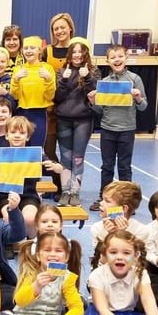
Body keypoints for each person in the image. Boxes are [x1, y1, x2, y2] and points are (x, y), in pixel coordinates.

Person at [14, 232, 90, 315]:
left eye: (58, 251)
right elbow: (19, 301)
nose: (53, 254)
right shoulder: (30, 273)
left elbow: (77, 308)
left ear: (66, 257)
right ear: (38, 255)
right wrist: (36, 286)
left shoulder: (67, 278)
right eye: (47, 250)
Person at [88, 44, 147, 211]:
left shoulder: (134, 80)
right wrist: (93, 102)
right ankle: (104, 199)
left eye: (120, 56)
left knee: (124, 166)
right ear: (107, 61)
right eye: (113, 57)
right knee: (106, 166)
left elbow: (143, 107)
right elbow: (100, 110)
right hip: (107, 130)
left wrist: (137, 98)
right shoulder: (104, 83)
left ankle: (128, 202)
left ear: (126, 58)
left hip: (127, 130)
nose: (117, 59)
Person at [0, 116, 63, 239]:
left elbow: (58, 169)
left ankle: (32, 242)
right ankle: (9, 243)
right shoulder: (0, 155)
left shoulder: (35, 155)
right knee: (7, 216)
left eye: (22, 133)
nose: (17, 135)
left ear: (28, 137)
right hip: (6, 196)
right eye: (13, 132)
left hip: (29, 195)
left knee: (30, 218)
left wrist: (55, 166)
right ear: (6, 135)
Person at [53, 37, 100, 207]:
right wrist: (64, 80)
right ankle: (65, 191)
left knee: (78, 158)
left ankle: (75, 192)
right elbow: (57, 97)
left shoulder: (93, 71)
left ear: (86, 53)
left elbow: (94, 95)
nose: (77, 54)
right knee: (65, 158)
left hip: (83, 121)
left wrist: (87, 78)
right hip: (63, 119)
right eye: (74, 51)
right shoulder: (61, 71)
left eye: (80, 51)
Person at [42, 13, 76, 199]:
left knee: (69, 151)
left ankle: (69, 188)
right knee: (48, 150)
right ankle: (56, 183)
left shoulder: (78, 49)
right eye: (56, 28)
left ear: (70, 28)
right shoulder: (47, 52)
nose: (60, 31)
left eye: (63, 27)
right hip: (49, 109)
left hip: (71, 108)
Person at [10, 36, 56, 148]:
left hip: (40, 114)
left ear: (39, 50)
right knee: (20, 147)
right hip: (22, 113)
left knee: (36, 148)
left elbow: (50, 96)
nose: (29, 51)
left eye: (32, 48)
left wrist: (49, 80)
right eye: (26, 48)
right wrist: (15, 80)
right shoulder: (18, 69)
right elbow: (15, 95)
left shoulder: (47, 69)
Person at [90, 180, 149, 249]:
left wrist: (122, 235)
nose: (101, 203)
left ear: (124, 208)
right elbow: (99, 258)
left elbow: (135, 258)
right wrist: (109, 236)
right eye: (102, 199)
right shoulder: (97, 228)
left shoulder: (141, 231)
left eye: (107, 201)